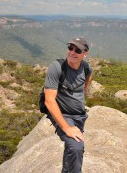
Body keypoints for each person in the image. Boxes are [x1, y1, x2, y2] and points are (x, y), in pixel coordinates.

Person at [44, 37, 93, 173]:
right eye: (70, 48)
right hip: (64, 115)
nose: (72, 52)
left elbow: (85, 87)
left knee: (74, 149)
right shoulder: (57, 67)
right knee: (77, 146)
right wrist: (66, 127)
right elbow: (49, 100)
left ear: (85, 54)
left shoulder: (87, 68)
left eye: (77, 50)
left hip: (80, 116)